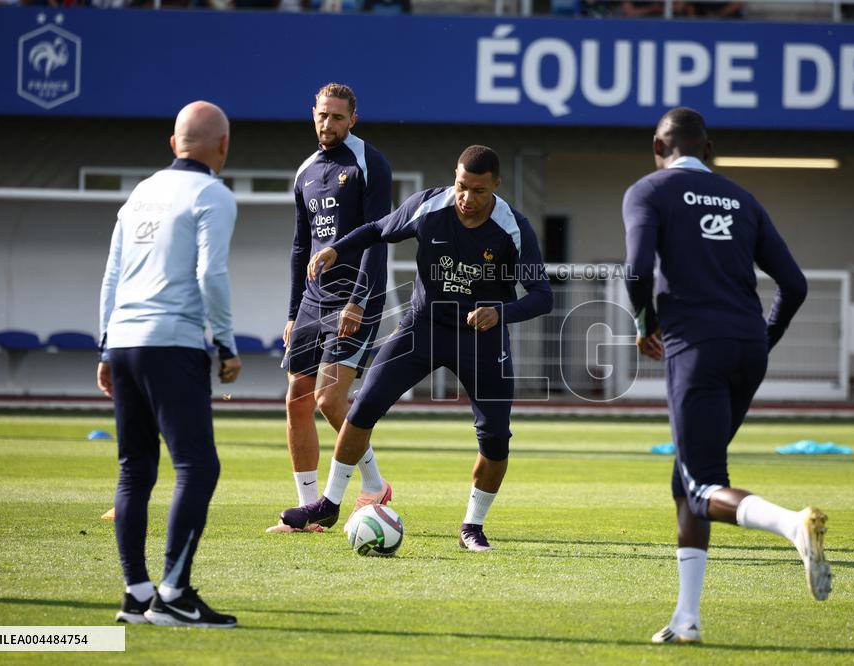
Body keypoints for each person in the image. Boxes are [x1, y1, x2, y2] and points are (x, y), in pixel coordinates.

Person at [269, 145, 553, 551]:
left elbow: (542, 295)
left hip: (482, 338)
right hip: (422, 327)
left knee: (495, 439)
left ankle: (472, 526)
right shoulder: (429, 206)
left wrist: (500, 312)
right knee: (362, 407)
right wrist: (336, 249)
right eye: (461, 186)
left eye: (477, 191)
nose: (466, 198)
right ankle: (328, 505)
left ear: (496, 187)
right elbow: (376, 229)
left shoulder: (513, 228)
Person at [622, 107, 831, 644]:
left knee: (701, 484)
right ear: (708, 150)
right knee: (686, 480)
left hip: (697, 349)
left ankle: (792, 526)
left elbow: (638, 269)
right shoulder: (743, 198)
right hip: (747, 348)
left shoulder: (648, 191)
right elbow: (796, 285)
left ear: (656, 146)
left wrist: (645, 323)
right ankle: (686, 619)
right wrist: (762, 340)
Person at [98, 100, 240, 628]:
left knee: (135, 467)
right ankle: (174, 593)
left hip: (126, 339)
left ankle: (137, 593)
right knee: (197, 466)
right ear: (223, 146)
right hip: (172, 340)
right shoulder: (212, 194)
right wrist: (224, 343)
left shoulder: (140, 192)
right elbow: (211, 276)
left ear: (172, 143)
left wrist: (105, 345)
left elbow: (112, 273)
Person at [268, 82, 394, 534]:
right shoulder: (305, 171)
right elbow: (301, 245)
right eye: (323, 115)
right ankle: (307, 511)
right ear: (313, 114)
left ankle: (374, 484)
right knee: (296, 401)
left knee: (328, 398)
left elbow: (377, 240)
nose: (329, 124)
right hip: (311, 301)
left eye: (338, 117)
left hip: (356, 296)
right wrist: (290, 311)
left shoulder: (369, 163)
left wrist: (358, 301)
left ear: (352, 120)